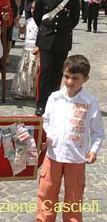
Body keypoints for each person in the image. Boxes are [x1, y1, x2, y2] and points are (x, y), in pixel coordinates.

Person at [35, 55, 104, 222]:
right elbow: (46, 121)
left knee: (74, 197)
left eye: (75, 78)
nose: (69, 81)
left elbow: (97, 131)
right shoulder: (55, 97)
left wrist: (93, 150)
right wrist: (45, 137)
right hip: (53, 155)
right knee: (46, 192)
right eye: (66, 76)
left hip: (76, 158)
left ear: (85, 79)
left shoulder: (90, 102)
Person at [33, 0, 80, 116]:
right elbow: (37, 16)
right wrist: (46, 29)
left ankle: (52, 103)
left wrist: (63, 30)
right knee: (44, 72)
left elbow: (74, 19)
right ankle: (41, 104)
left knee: (58, 73)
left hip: (62, 40)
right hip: (46, 40)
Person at [11, 0, 39, 99]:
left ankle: (33, 91)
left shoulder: (42, 21)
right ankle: (21, 91)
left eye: (35, 8)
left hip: (35, 49)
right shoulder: (29, 20)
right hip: (26, 49)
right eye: (31, 8)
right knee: (23, 70)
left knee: (33, 71)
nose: (33, 10)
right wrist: (17, 23)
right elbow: (22, 31)